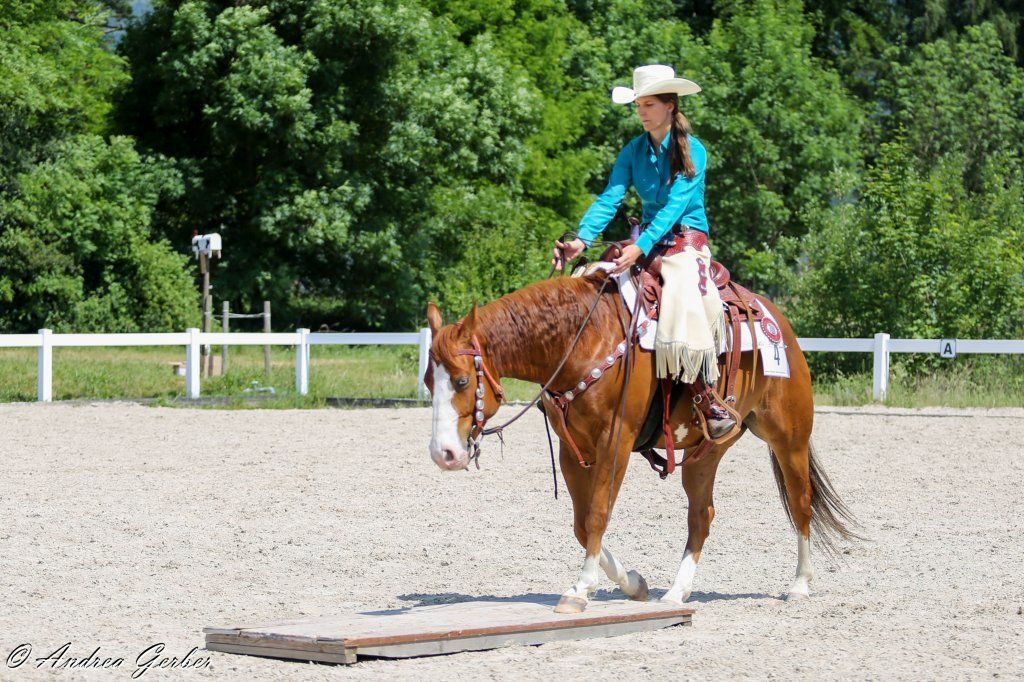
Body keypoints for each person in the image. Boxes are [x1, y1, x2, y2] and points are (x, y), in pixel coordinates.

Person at [551, 64, 735, 438]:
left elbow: (675, 207)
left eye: (649, 104)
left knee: (684, 295)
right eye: (638, 105)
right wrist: (582, 240)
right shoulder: (633, 150)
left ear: (670, 105)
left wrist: (640, 246)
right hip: (645, 240)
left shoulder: (694, 150)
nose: (641, 112)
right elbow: (610, 197)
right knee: (591, 280)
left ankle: (706, 397)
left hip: (685, 240)